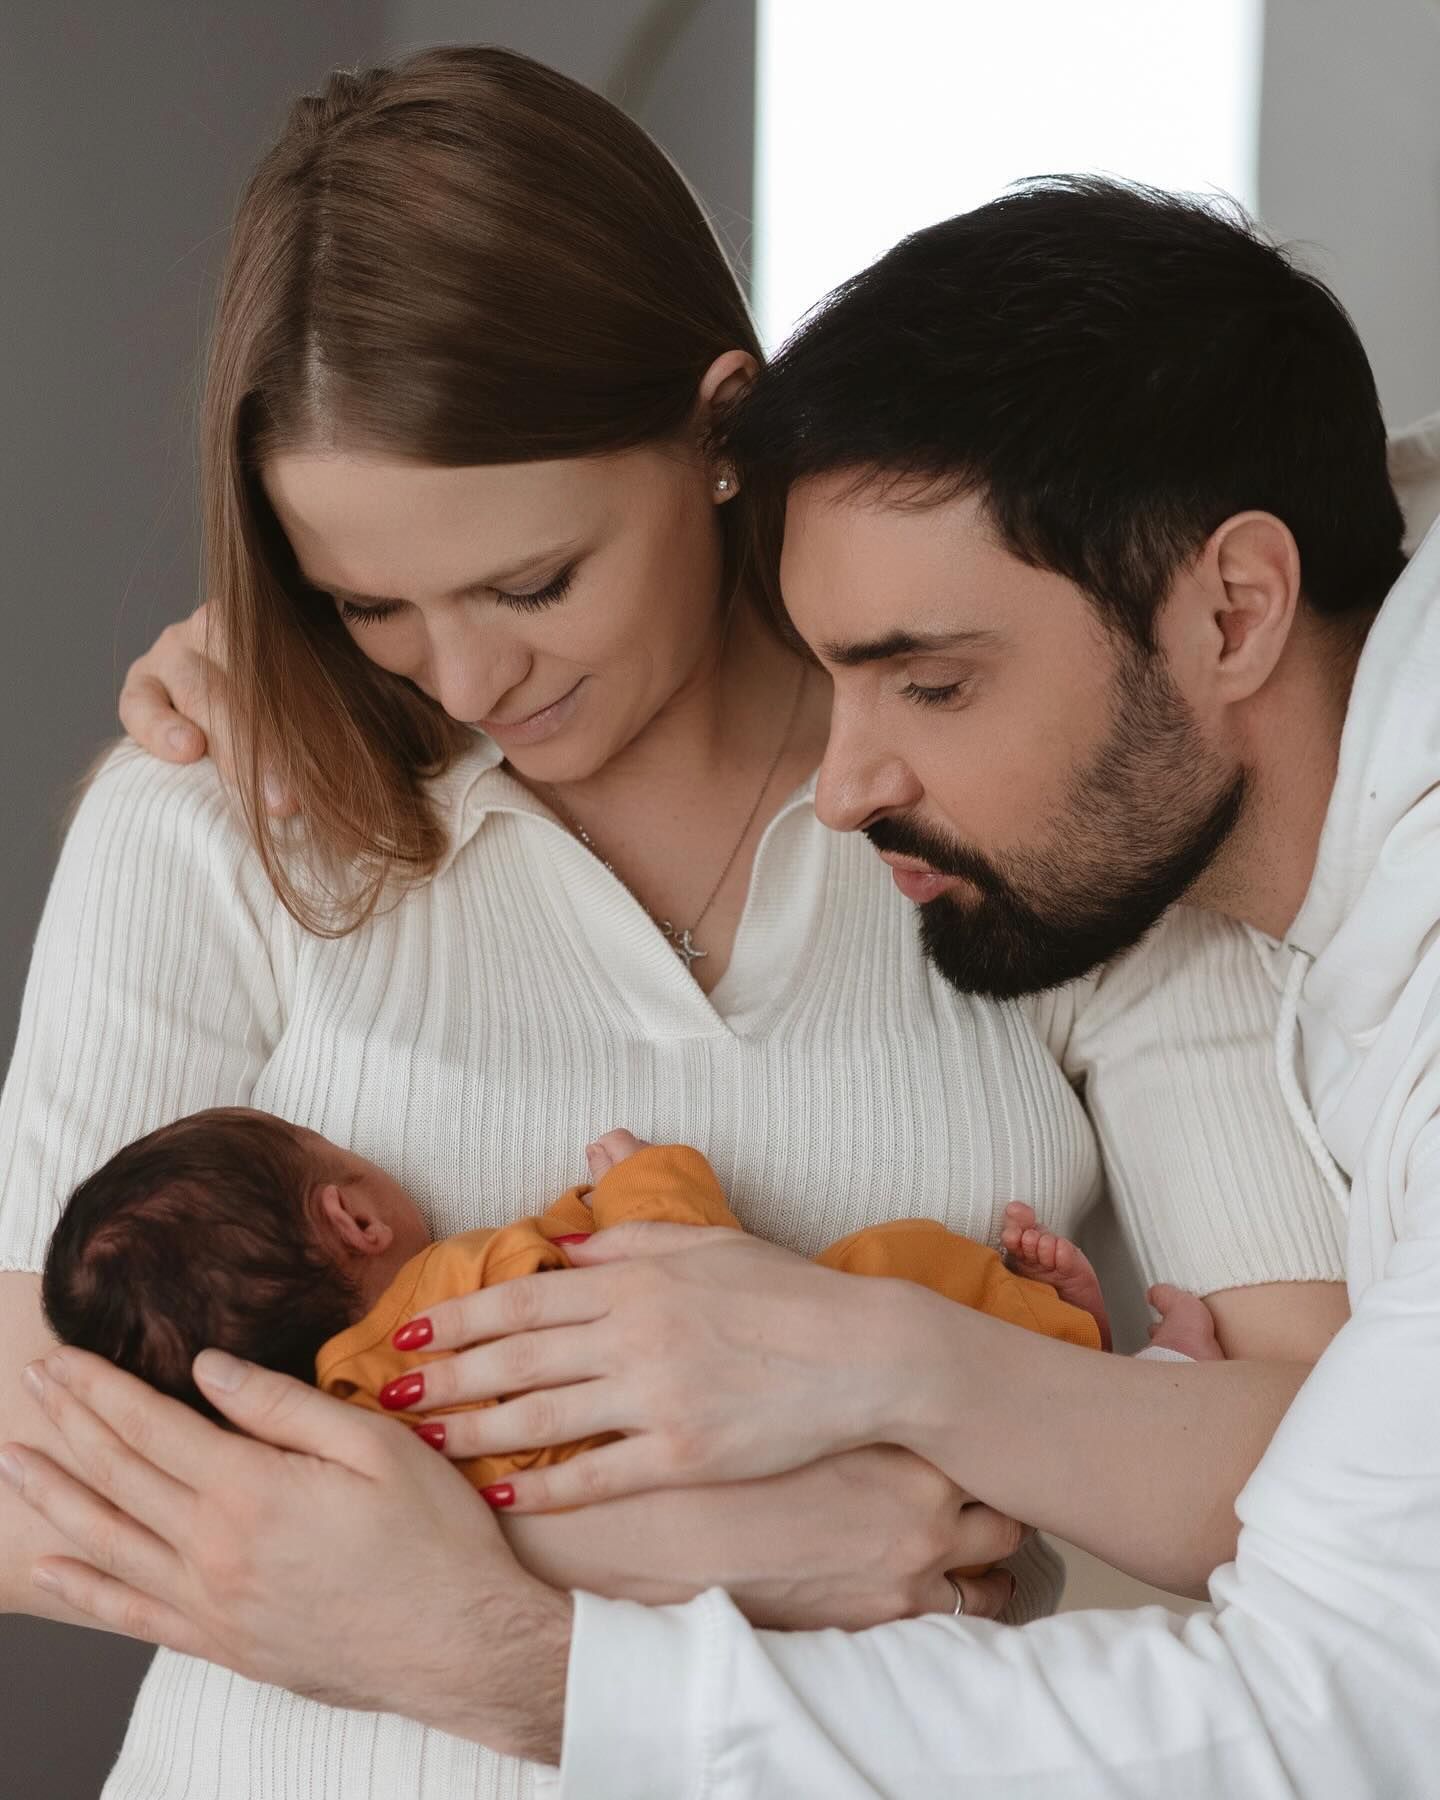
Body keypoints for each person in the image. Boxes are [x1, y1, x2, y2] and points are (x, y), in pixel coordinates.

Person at [0, 54, 1345, 1800]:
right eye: (369, 603)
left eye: (532, 582)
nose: (466, 678)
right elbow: (29, 1478)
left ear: (721, 432)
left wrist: (899, 1373)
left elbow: (1316, 1483)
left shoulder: (1035, 810)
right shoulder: (217, 807)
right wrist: (743, 1552)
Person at [46, 1106, 1197, 1495]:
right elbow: (686, 1282)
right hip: (770, 1401)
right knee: (894, 1270)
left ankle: (1077, 1359)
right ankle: (1094, 1354)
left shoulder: (351, 1436)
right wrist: (642, 1179)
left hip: (718, 1494)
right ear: (352, 1219)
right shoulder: (462, 1287)